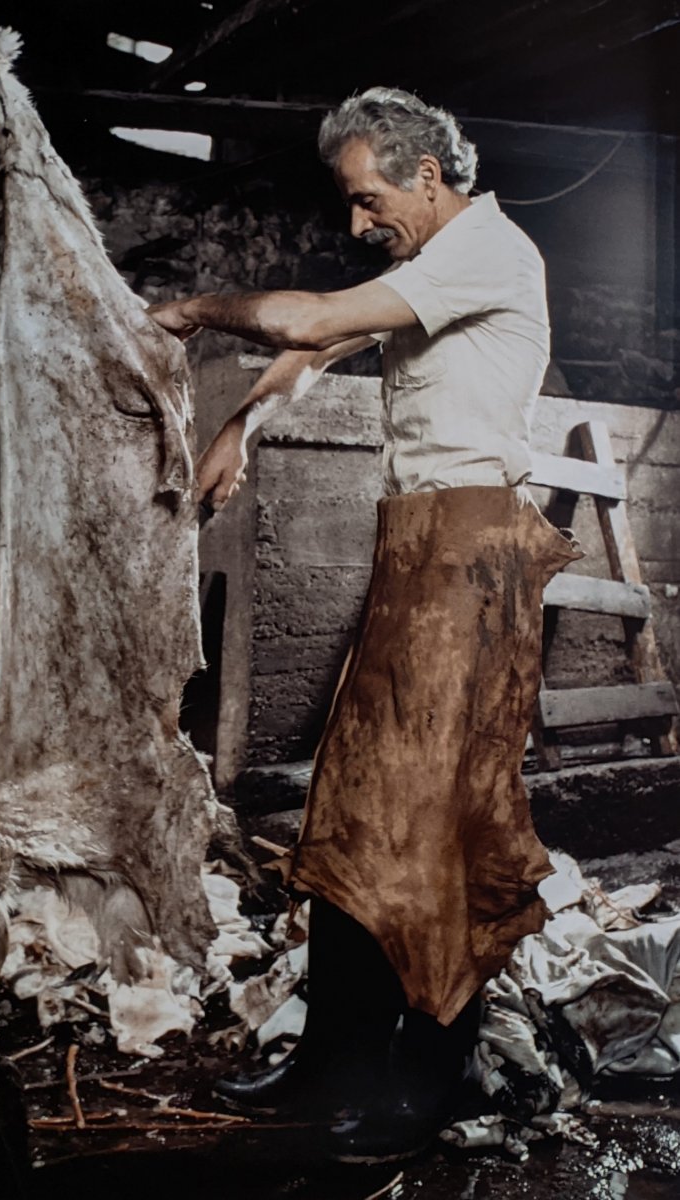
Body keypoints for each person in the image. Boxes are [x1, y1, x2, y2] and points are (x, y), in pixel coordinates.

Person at [149, 88, 580, 1164]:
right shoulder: (429, 264)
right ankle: (330, 1059)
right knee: (347, 814)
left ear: (426, 175)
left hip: (472, 558)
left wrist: (194, 309)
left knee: (440, 829)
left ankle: (429, 1080)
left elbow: (307, 321)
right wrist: (240, 427)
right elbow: (315, 354)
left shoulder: (490, 253)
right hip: (415, 552)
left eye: (368, 199)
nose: (357, 222)